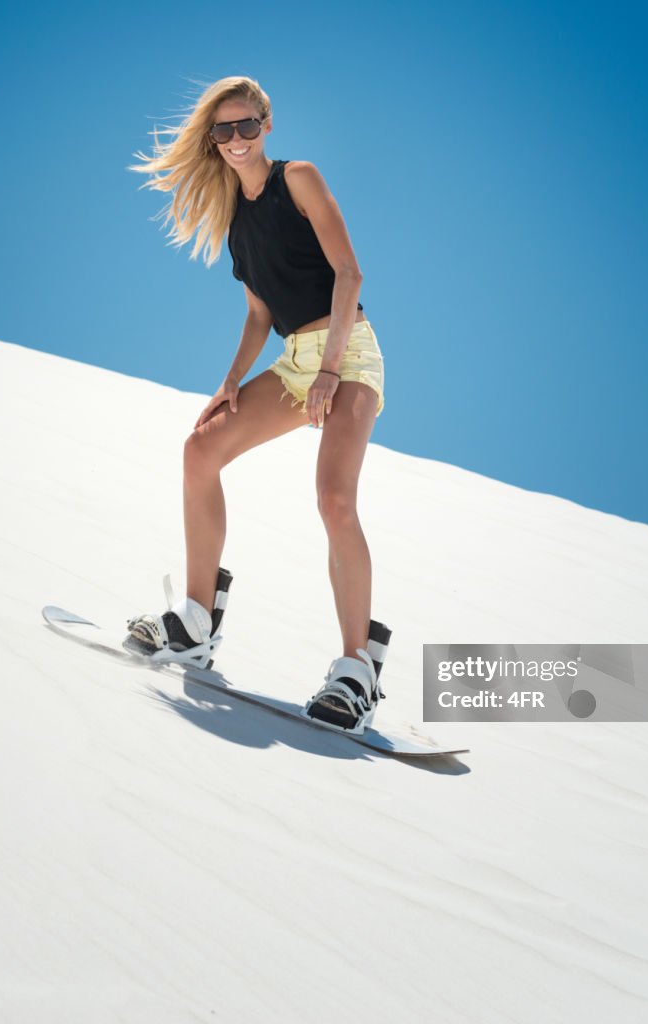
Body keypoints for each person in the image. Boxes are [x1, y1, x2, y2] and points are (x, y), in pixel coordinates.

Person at [125, 75, 391, 734]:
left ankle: (357, 669)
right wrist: (229, 383)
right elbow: (257, 312)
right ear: (212, 140)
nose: (237, 139)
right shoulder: (236, 218)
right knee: (200, 451)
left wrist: (330, 370)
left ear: (266, 127)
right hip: (293, 363)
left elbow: (350, 273)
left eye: (247, 126)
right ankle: (194, 621)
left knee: (334, 499)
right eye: (225, 130)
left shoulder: (297, 177)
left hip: (347, 351)